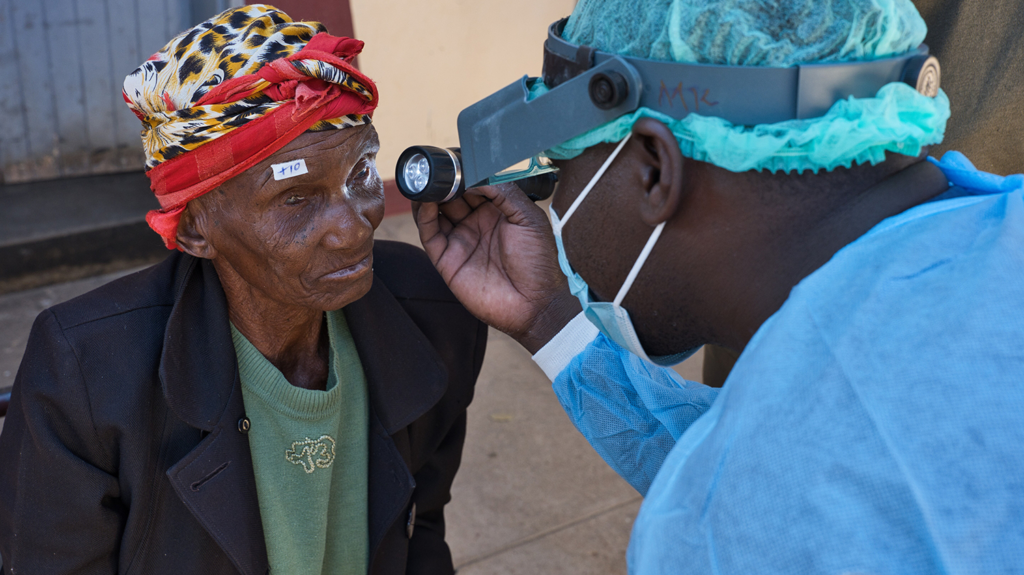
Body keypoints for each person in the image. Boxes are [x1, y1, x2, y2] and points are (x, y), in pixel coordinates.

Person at [411, 0, 1024, 571]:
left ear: (654, 170)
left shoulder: (726, 531)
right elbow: (779, 472)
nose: (558, 207)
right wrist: (553, 323)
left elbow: (766, 497)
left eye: (562, 168)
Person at [0, 6, 485, 575]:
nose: (354, 226)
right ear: (195, 229)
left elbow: (420, 527)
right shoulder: (84, 374)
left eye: (360, 174)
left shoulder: (434, 312)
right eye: (296, 198)